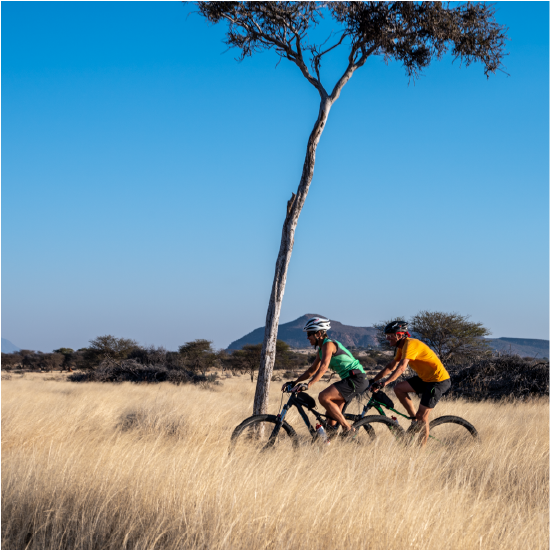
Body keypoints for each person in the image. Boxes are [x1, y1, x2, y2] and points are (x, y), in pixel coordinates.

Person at [281, 317, 369, 435]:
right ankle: (331, 445)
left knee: (323, 396)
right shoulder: (321, 350)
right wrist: (294, 382)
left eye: (309, 334)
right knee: (330, 418)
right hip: (351, 380)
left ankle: (348, 428)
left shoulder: (328, 344)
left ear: (318, 333)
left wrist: (309, 385)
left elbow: (323, 368)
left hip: (356, 379)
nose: (307, 337)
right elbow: (312, 370)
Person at [370, 320, 451, 446]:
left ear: (400, 335)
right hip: (425, 379)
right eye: (387, 336)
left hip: (438, 381)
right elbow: (391, 366)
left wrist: (384, 383)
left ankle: (421, 451)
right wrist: (373, 380)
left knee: (423, 417)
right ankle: (414, 420)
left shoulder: (411, 344)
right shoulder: (401, 347)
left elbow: (402, 367)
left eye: (390, 336)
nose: (388, 338)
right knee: (398, 388)